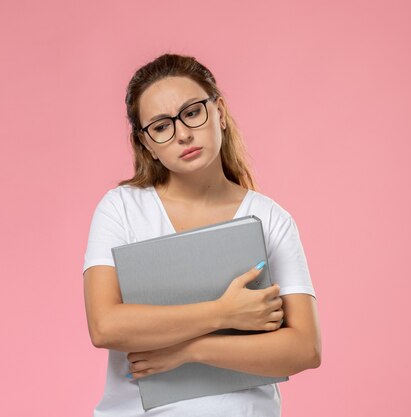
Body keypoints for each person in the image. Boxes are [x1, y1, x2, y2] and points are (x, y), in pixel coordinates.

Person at [82, 53, 321, 417]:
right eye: (161, 127)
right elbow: (105, 325)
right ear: (146, 143)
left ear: (220, 112)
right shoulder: (122, 208)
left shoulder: (270, 219)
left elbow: (305, 348)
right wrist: (223, 313)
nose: (183, 134)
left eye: (192, 112)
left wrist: (188, 351)